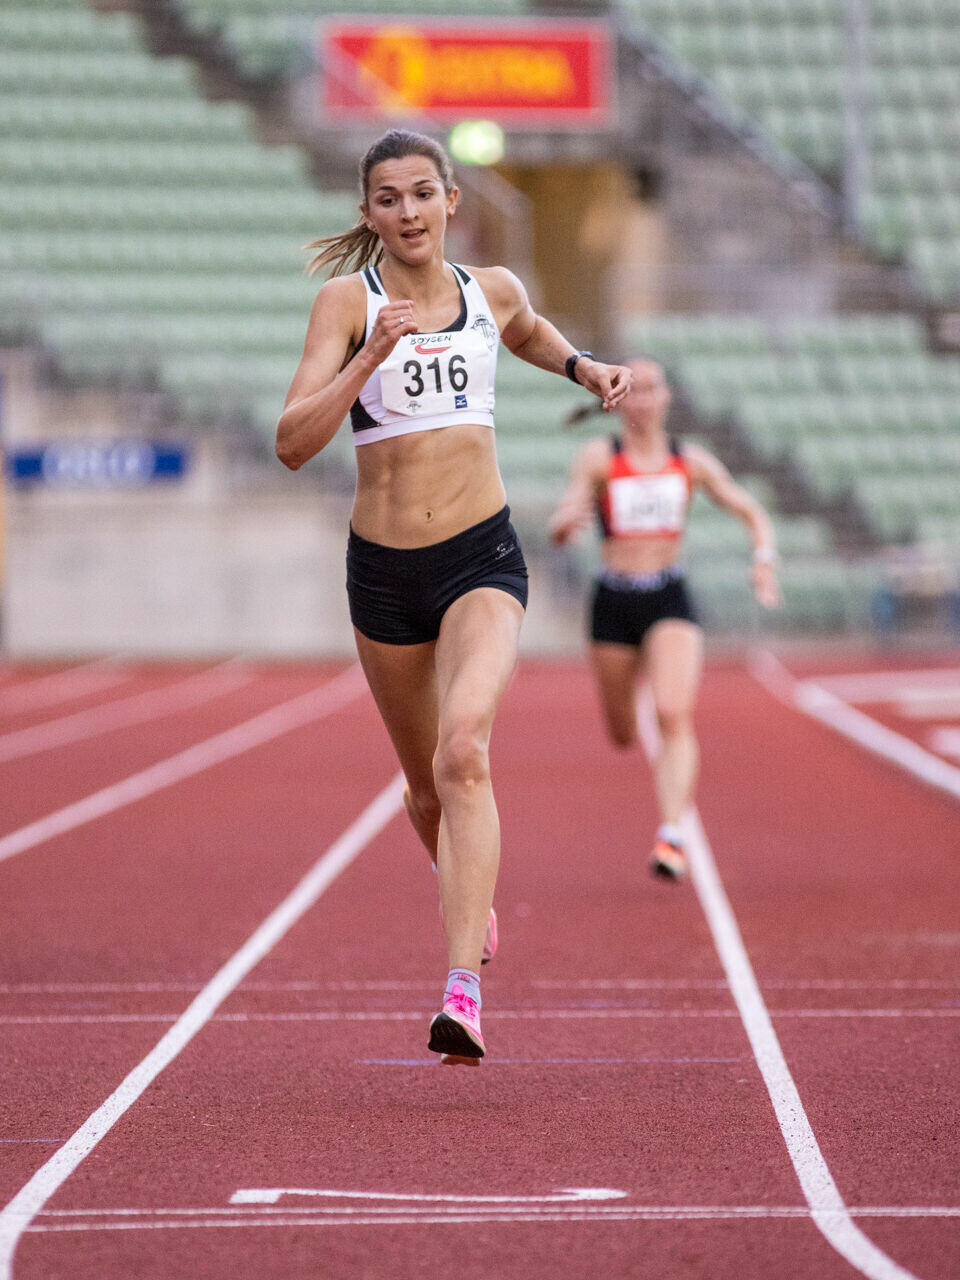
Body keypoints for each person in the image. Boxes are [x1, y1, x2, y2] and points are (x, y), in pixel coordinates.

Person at [276, 129, 631, 1065]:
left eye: (423, 194)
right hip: (384, 574)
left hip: (483, 555)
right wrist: (366, 359)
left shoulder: (492, 288)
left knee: (463, 750)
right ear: (368, 214)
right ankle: (468, 889)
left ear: (450, 202)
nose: (408, 213)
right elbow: (291, 439)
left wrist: (583, 368)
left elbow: (525, 329)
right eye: (387, 199)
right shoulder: (346, 303)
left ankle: (461, 991)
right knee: (425, 790)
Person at [548, 357, 779, 880]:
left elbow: (750, 510)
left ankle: (672, 832)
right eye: (635, 389)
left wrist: (764, 562)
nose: (644, 398)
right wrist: (567, 525)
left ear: (668, 397)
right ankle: (631, 718)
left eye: (653, 388)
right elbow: (564, 517)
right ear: (616, 399)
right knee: (623, 732)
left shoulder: (689, 460)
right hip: (612, 601)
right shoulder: (598, 458)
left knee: (674, 713)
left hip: (669, 597)